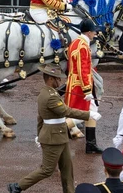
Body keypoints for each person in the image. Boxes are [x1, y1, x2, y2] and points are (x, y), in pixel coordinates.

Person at [7, 63, 100, 193]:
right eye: (57, 79)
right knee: (47, 170)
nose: (59, 81)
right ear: (50, 79)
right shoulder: (49, 96)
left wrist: (39, 134)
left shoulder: (50, 92)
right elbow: (65, 111)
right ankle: (18, 186)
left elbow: (40, 118)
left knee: (67, 169)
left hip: (60, 136)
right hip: (52, 138)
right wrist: (89, 114)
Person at [65, 20, 103, 152]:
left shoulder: (76, 42)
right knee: (79, 114)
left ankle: (90, 144)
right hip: (81, 85)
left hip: (76, 82)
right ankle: (52, 132)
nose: (95, 33)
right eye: (94, 31)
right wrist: (87, 90)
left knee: (92, 111)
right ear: (88, 32)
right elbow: (83, 69)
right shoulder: (82, 46)